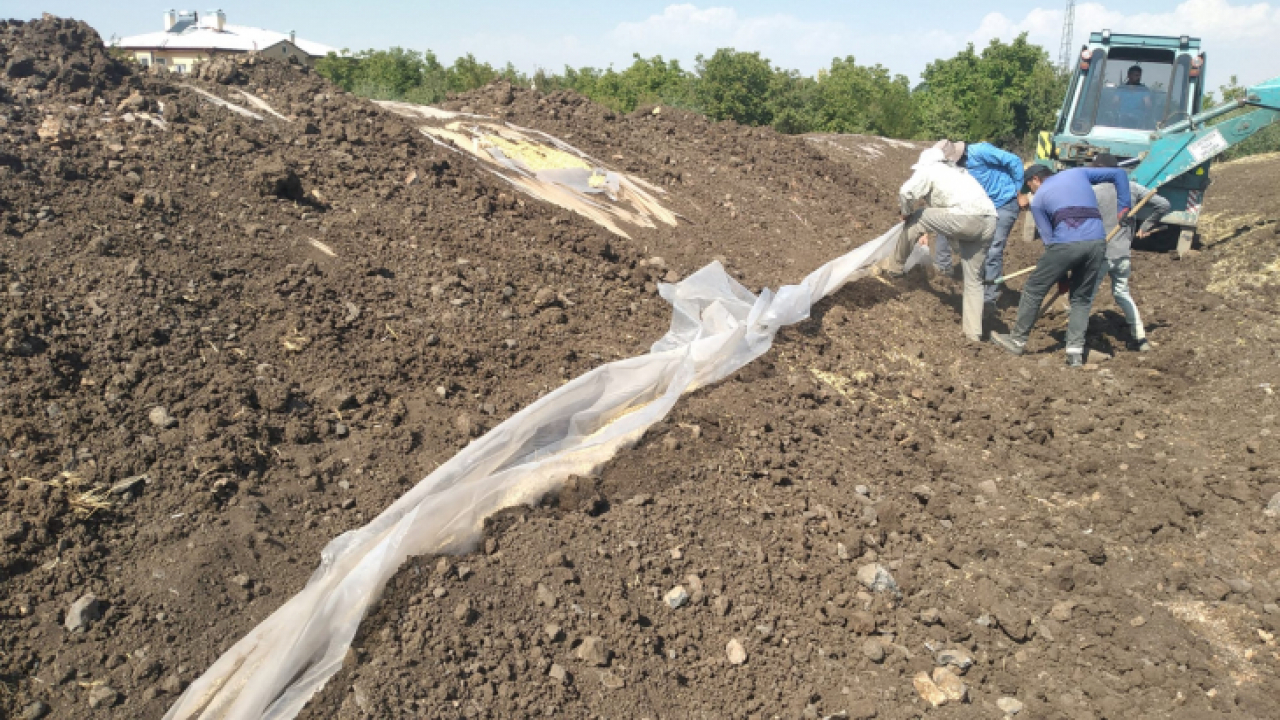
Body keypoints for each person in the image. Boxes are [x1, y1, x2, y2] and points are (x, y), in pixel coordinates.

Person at [989, 164, 1131, 367]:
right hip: (1098, 243)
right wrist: (1123, 208)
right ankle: (1074, 353)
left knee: (1033, 288)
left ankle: (1017, 340)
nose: (1031, 192)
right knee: (1081, 298)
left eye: (1030, 187)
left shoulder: (1038, 201)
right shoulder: (1077, 172)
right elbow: (1118, 173)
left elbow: (1049, 242)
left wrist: (1061, 278)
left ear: (1036, 179)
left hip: (1065, 244)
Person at [886, 145, 998, 342]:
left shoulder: (929, 169)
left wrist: (906, 213)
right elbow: (953, 217)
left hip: (967, 218)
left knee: (918, 216)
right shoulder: (958, 173)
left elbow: (905, 192)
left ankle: (894, 268)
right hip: (989, 221)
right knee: (974, 281)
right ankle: (973, 335)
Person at [1088, 153, 1172, 352]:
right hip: (1123, 253)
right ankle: (1140, 338)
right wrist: (1147, 225)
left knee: (1086, 297)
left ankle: (1075, 338)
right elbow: (1164, 204)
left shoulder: (1092, 191)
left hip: (1100, 253)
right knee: (1122, 293)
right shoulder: (1132, 187)